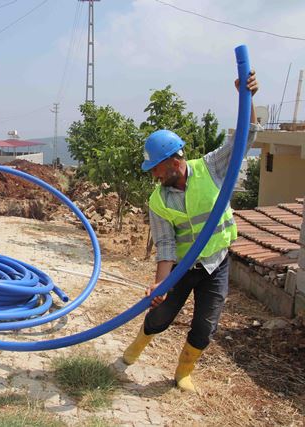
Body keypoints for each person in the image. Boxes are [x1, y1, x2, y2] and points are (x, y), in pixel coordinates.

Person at [121, 71, 260, 393]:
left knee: (205, 326)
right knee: (161, 315)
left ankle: (183, 372)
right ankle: (132, 354)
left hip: (216, 264)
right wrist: (161, 283)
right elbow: (166, 245)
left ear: (172, 161)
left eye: (155, 168)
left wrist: (248, 97)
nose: (153, 175)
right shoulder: (158, 199)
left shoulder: (210, 167)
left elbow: (246, 137)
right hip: (183, 267)